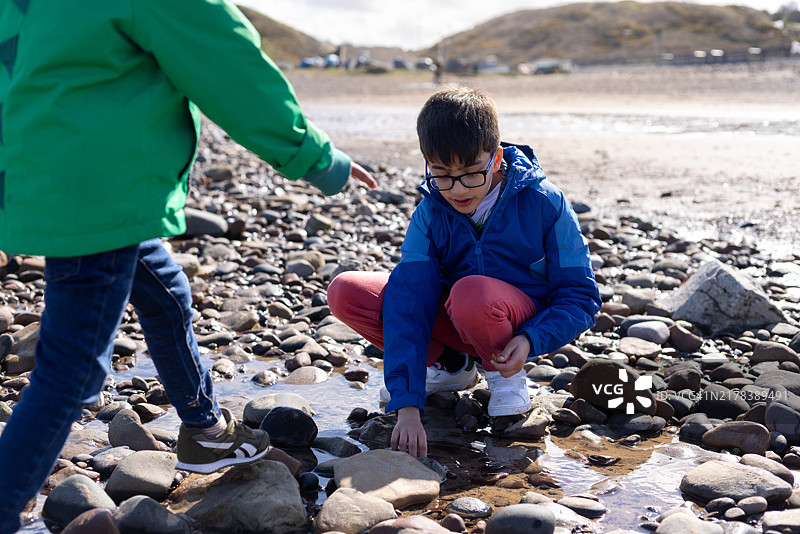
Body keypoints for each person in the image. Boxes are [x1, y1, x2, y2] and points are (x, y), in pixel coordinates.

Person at [0, 0, 376, 531]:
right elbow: (230, 69)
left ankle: (203, 433)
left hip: (55, 179)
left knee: (165, 292)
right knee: (72, 369)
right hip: (96, 191)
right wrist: (317, 159)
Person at [328, 86, 600, 457]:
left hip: (512, 321)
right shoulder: (430, 212)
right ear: (427, 161)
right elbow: (409, 302)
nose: (457, 190)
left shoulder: (544, 202)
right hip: (456, 319)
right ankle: (450, 365)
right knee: (347, 292)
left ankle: (503, 374)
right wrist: (407, 406)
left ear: (496, 156)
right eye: (441, 173)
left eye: (471, 173)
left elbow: (581, 296)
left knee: (472, 292)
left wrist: (532, 339)